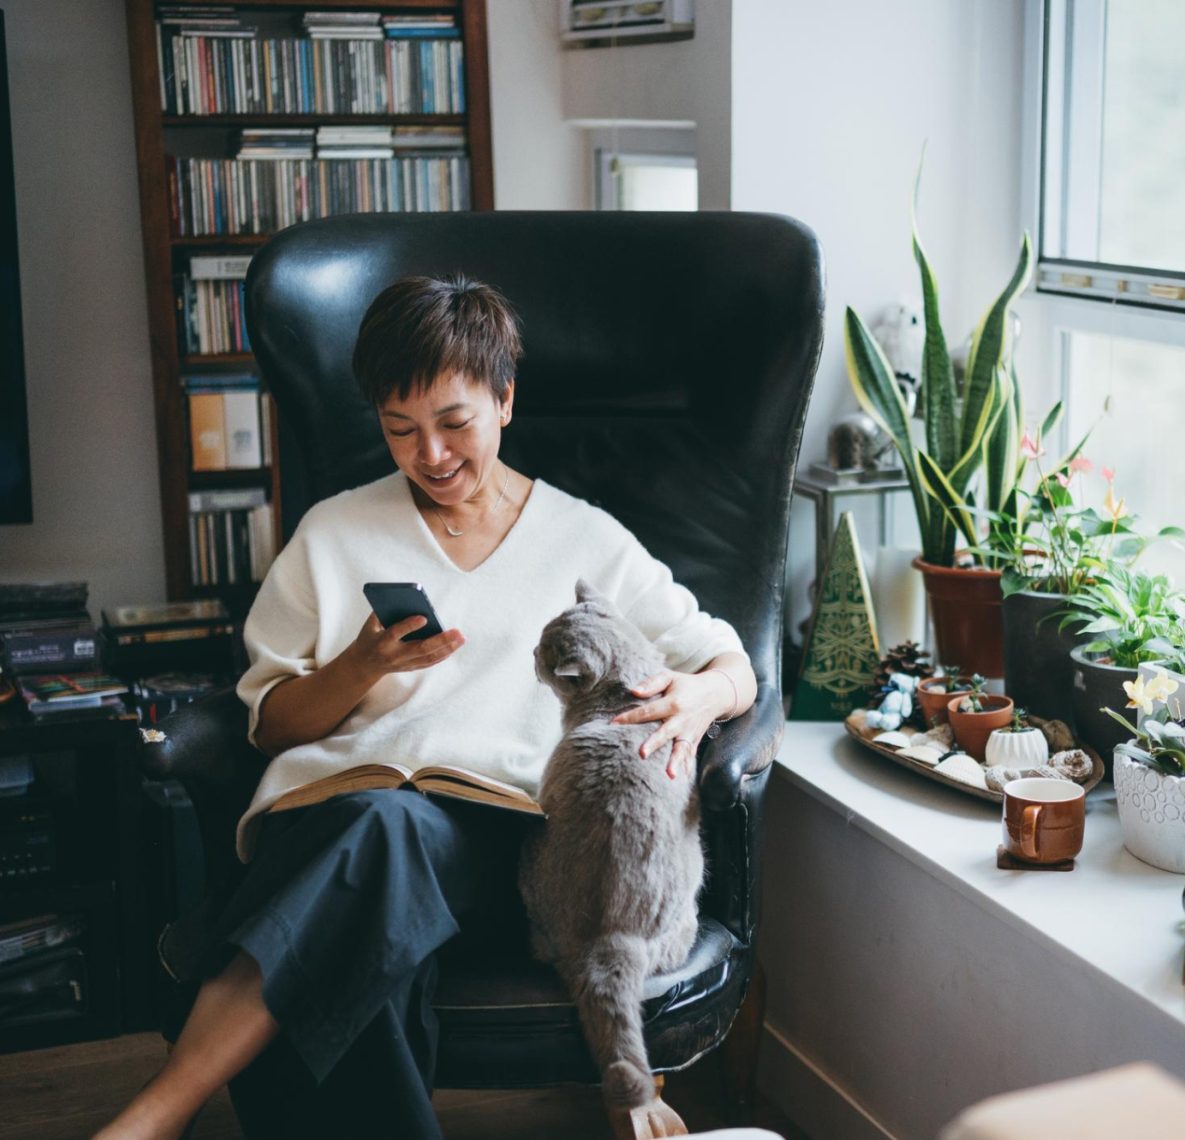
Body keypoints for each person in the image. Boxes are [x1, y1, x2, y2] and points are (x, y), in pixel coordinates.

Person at [97, 275, 756, 1140]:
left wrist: (699, 699)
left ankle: (159, 1109)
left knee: (387, 841)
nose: (431, 455)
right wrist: (362, 663)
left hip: (499, 840)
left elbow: (729, 658)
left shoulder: (583, 538)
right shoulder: (333, 533)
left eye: (455, 424)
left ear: (506, 400)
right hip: (331, 818)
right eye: (400, 431)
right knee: (376, 899)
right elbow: (271, 724)